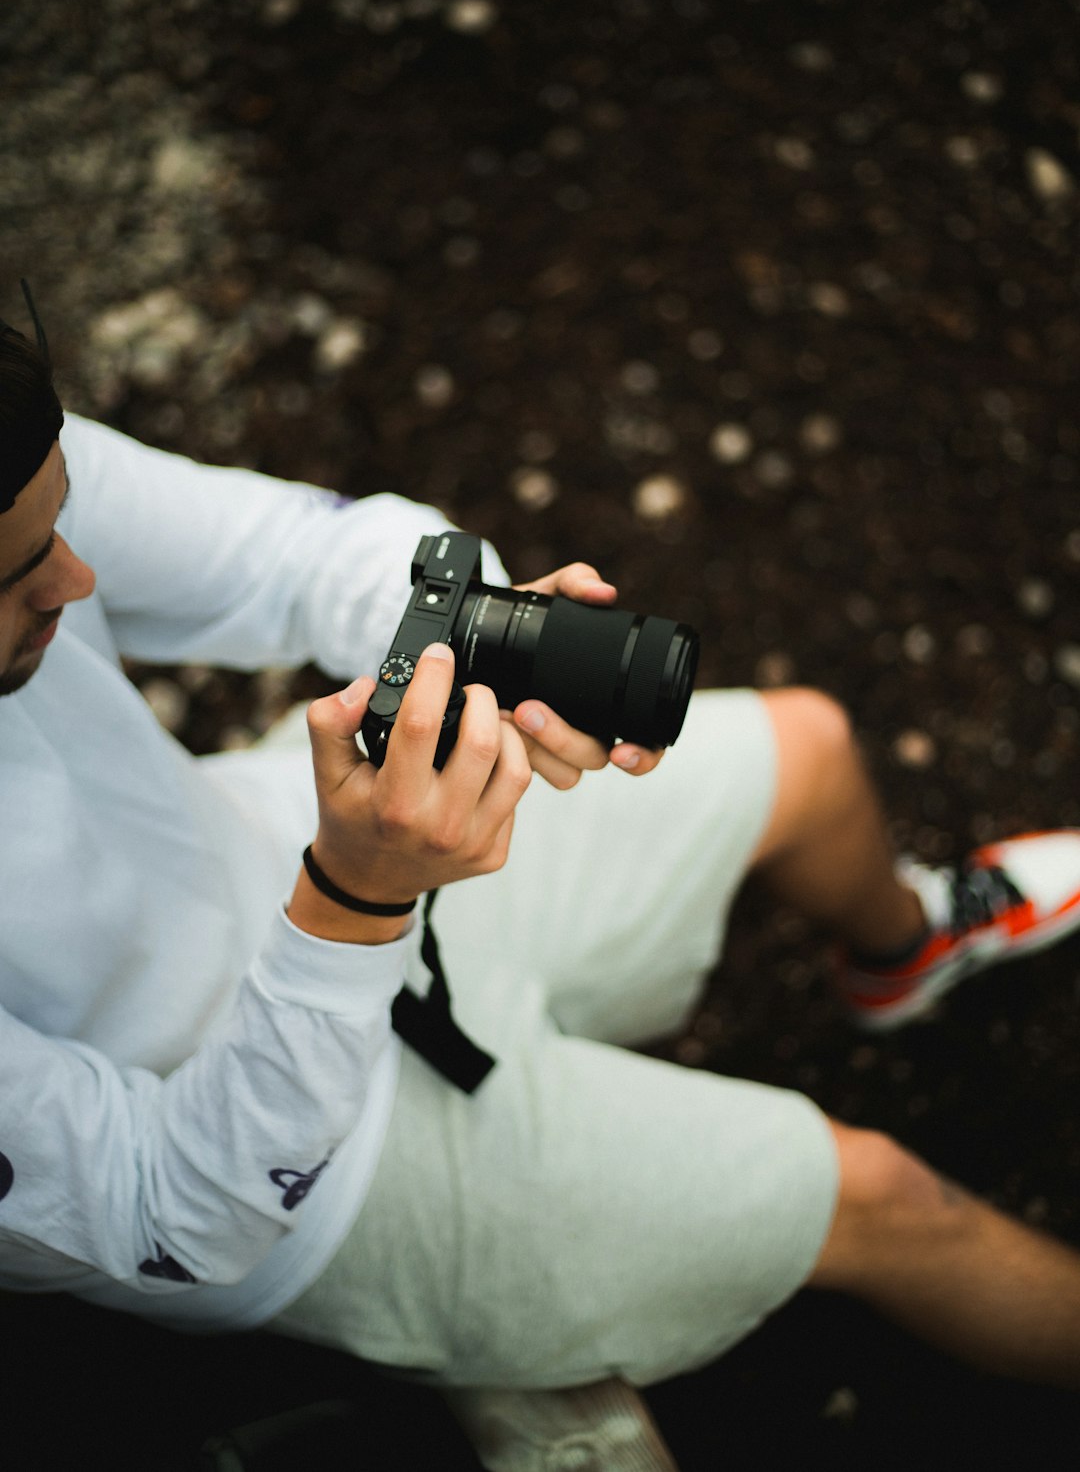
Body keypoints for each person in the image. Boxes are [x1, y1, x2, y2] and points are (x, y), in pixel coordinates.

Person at [2, 290, 1080, 1404]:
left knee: (809, 751)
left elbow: (289, 554)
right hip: (301, 1174)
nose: (77, 584)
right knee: (889, 1198)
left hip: (283, 855)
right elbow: (165, 1213)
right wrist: (357, 905)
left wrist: (473, 626)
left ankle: (906, 951)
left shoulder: (9, 465)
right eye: (17, 577)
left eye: (63, 524)